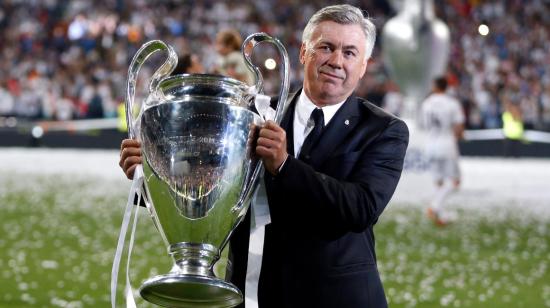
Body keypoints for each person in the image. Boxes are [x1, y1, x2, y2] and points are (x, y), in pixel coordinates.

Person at [120, 4, 409, 307]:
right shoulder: (253, 114)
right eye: (326, 47)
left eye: (350, 52)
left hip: (338, 299)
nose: (336, 61)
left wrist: (284, 166)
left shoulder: (384, 130)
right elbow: (204, 185)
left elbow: (359, 208)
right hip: (255, 295)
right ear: (304, 53)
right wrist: (150, 171)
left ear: (364, 65)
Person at [420, 76, 465, 226]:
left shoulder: (426, 103)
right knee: (454, 181)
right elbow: (458, 127)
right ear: (446, 87)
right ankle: (434, 207)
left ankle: (440, 216)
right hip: (447, 145)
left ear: (435, 86)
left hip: (430, 145)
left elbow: (423, 125)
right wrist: (461, 135)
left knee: (439, 182)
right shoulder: (452, 103)